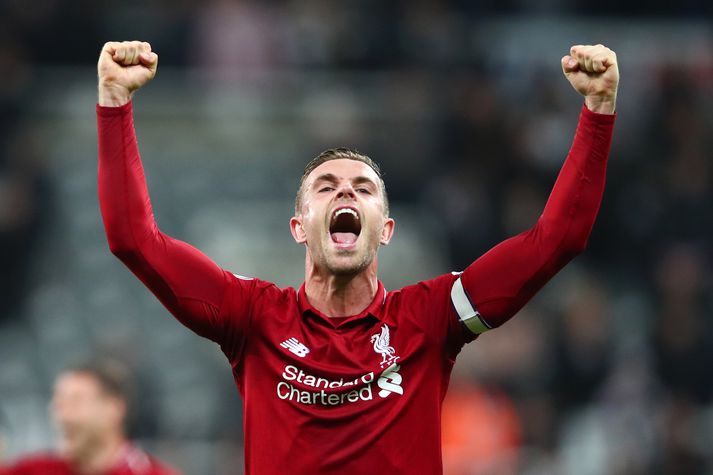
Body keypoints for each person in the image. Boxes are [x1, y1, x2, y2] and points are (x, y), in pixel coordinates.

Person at [95, 41, 618, 474]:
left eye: (363, 189)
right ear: (299, 228)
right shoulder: (252, 316)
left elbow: (558, 239)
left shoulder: (431, 317)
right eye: (326, 186)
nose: (345, 193)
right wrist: (114, 102)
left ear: (385, 230)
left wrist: (598, 112)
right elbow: (134, 240)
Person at [0, 361, 179, 475]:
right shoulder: (34, 470)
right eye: (57, 402)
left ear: (113, 409)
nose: (60, 412)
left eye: (74, 401)